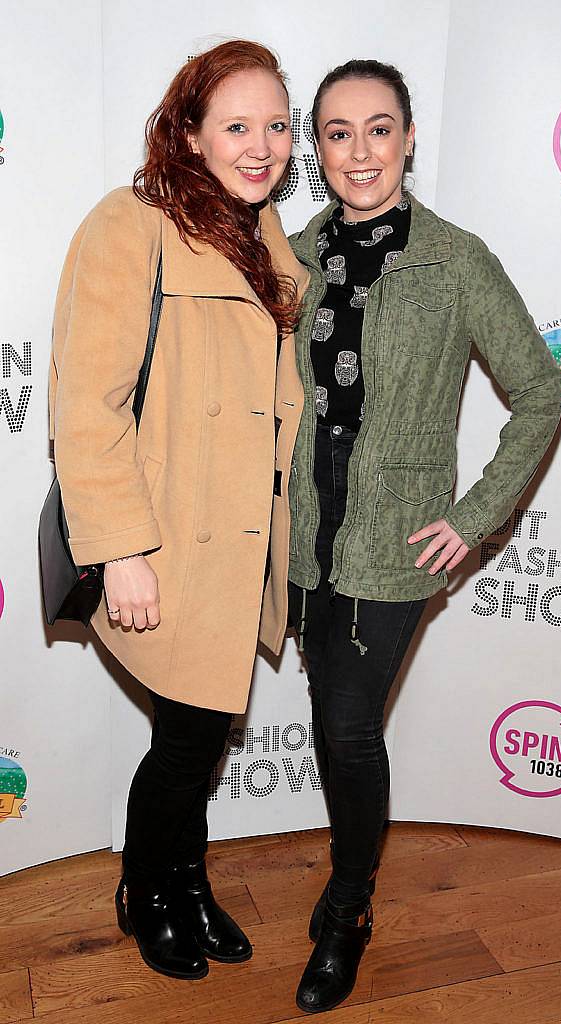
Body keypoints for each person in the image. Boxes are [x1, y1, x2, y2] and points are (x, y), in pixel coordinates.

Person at [287, 60, 561, 1014]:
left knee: (349, 730)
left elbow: (539, 391)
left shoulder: (457, 260)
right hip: (297, 536)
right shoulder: (291, 252)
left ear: (409, 138)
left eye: (378, 128)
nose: (359, 152)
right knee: (330, 715)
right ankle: (344, 883)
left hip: (394, 547)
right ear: (316, 149)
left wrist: (479, 516)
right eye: (336, 133)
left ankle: (349, 910)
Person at [49, 39, 307, 981]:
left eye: (277, 126)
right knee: (188, 740)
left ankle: (185, 882)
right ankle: (147, 891)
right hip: (167, 544)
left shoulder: (262, 232)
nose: (261, 145)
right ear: (188, 131)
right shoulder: (131, 223)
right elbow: (86, 407)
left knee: (190, 739)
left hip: (239, 544)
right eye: (237, 125)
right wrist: (122, 550)